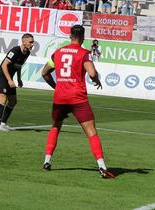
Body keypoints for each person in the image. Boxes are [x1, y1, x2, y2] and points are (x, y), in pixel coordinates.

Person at [41, 25, 115, 179]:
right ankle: (101, 166)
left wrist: (57, 87)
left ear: (70, 36)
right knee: (91, 131)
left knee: (55, 126)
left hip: (60, 97)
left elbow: (45, 73)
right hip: (77, 97)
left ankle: (47, 161)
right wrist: (97, 80)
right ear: (82, 37)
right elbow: (92, 73)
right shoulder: (84, 53)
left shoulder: (58, 53)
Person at [0, 33, 34, 131]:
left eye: (33, 42)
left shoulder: (27, 53)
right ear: (23, 42)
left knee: (13, 101)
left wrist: (19, 79)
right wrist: (10, 80)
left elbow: (18, 66)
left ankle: (3, 123)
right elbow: (4, 65)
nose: (32, 44)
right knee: (3, 98)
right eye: (30, 42)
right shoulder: (15, 50)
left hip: (9, 78)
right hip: (1, 76)